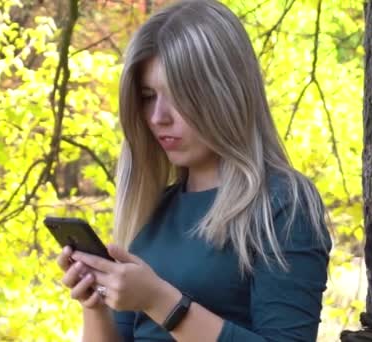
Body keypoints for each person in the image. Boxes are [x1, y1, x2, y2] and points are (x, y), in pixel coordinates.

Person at [56, 0, 331, 341]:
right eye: (147, 96)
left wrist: (160, 300)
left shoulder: (282, 203)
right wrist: (93, 304)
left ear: (225, 94)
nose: (158, 117)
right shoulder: (153, 210)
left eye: (178, 95)